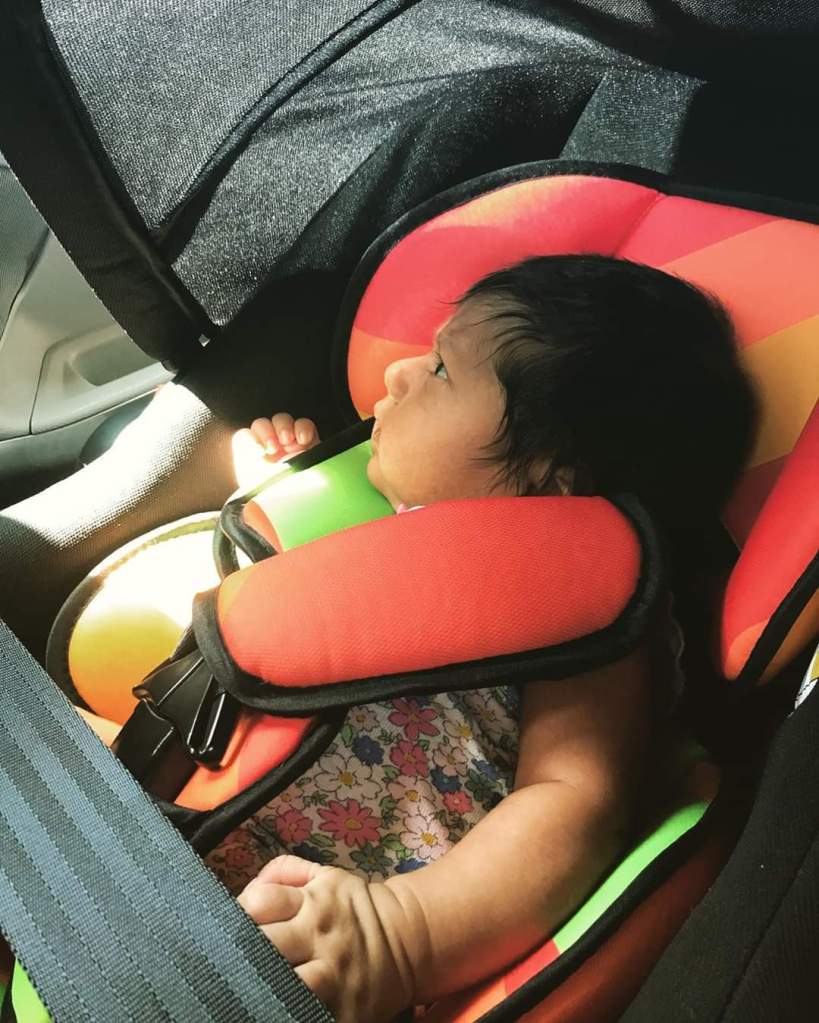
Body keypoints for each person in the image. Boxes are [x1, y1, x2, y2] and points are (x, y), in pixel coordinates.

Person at [215, 254, 757, 1023]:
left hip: (314, 917)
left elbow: (571, 799)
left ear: (547, 478)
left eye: (441, 368)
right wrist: (278, 482)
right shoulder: (403, 528)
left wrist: (396, 934)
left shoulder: (587, 604)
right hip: (204, 812)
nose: (399, 372)